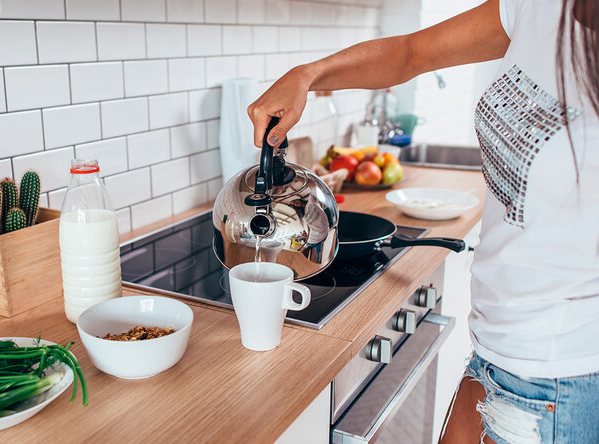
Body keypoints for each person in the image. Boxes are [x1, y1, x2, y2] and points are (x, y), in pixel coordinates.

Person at [247, 0, 599, 443]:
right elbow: (412, 53)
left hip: (561, 375)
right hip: (496, 348)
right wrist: (308, 75)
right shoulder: (538, 6)